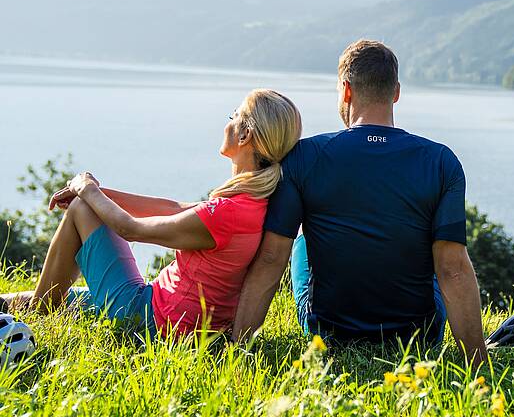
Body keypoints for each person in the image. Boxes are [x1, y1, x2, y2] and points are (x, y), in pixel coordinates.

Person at [233, 40, 488, 364]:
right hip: (418, 335)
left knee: (299, 244)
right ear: (395, 92)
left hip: (328, 331)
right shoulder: (441, 161)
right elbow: (453, 269)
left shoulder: (304, 157)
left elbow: (271, 258)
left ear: (346, 90)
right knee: (440, 253)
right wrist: (479, 362)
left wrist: (237, 347)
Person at [3, 89, 301, 338]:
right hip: (163, 308)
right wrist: (101, 193)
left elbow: (131, 230)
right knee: (63, 299)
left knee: (82, 208)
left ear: (245, 133)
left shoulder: (227, 212)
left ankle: (39, 315)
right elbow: (172, 209)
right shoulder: (253, 202)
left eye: (233, 116)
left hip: (152, 320)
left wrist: (87, 190)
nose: (228, 123)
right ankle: (33, 306)